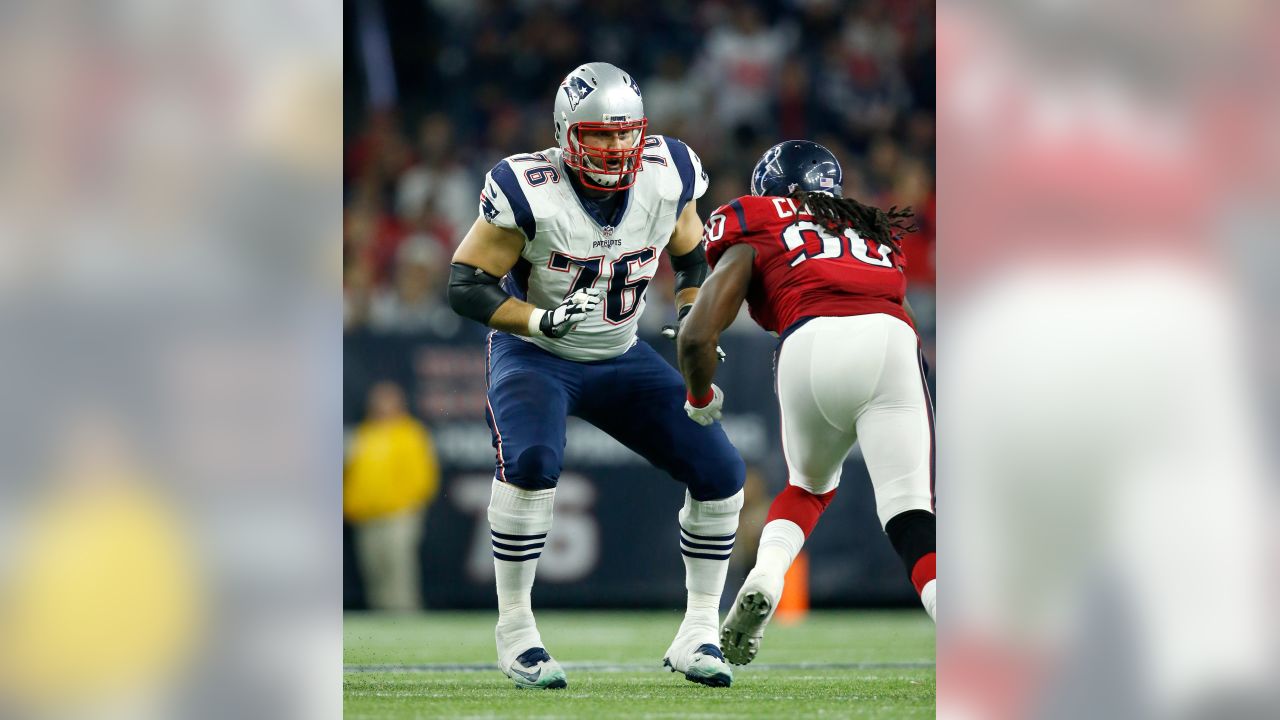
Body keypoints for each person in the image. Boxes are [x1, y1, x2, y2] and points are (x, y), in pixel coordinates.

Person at [447, 62, 745, 690]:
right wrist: (537, 319)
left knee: (721, 472)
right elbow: (465, 283)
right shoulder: (530, 187)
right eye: (599, 135)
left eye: (625, 132)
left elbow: (693, 260)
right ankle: (516, 630)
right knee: (530, 461)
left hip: (620, 352)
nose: (615, 147)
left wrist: (695, 332)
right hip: (538, 355)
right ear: (565, 134)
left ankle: (698, 631)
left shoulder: (670, 175)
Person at [676, 140, 936, 666]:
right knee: (910, 510)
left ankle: (767, 577)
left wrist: (699, 397)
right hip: (893, 340)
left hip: (811, 340)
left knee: (806, 488)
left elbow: (696, 336)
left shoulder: (755, 218)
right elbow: (901, 312)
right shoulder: (866, 226)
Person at [344, 381, 440, 611]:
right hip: (366, 516)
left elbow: (423, 477)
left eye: (388, 400)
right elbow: (353, 475)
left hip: (399, 515)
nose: (383, 405)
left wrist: (406, 503)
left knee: (398, 571)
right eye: (379, 400)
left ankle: (405, 619)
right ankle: (382, 625)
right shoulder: (364, 433)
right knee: (374, 572)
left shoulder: (410, 433)